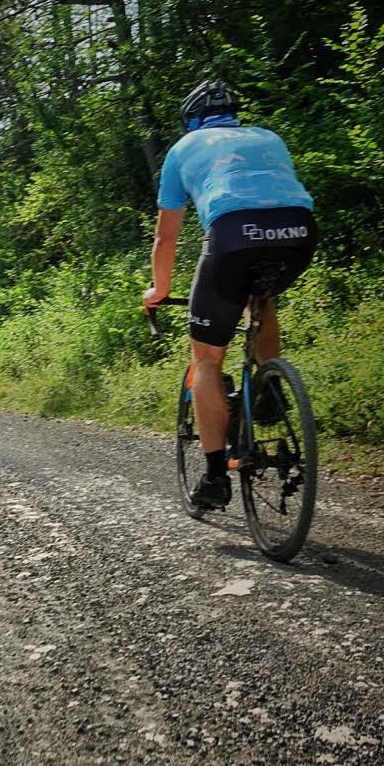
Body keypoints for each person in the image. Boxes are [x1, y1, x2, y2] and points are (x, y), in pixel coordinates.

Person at [141, 80, 319, 508]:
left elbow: (167, 239)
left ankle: (216, 477)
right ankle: (269, 388)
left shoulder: (183, 148)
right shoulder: (268, 136)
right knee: (262, 297)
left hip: (233, 235)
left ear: (191, 119)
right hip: (299, 232)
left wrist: (159, 290)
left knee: (205, 358)